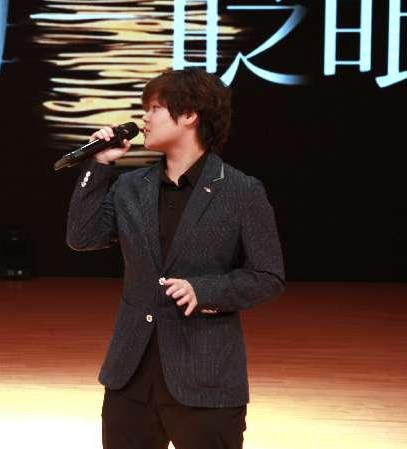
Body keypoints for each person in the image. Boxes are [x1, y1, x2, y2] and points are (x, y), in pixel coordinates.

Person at [66, 69, 285, 449]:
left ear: (189, 115)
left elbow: (268, 275)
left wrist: (205, 291)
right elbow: (83, 238)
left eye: (154, 108)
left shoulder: (241, 191)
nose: (144, 118)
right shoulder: (132, 186)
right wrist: (99, 164)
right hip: (131, 374)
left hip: (205, 378)